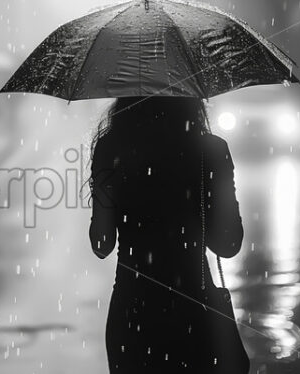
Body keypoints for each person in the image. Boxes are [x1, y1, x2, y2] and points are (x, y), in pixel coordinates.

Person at [89, 96, 244, 373]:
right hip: (195, 311)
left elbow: (102, 245)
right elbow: (228, 244)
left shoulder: (111, 147)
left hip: (132, 312)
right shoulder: (210, 149)